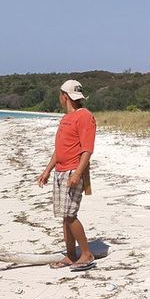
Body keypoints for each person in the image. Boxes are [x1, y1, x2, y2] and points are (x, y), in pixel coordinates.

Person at [36, 79, 97, 271]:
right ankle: (70, 255)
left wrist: (77, 173)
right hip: (61, 171)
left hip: (73, 170)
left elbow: (87, 149)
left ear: (64, 97)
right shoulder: (66, 118)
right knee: (64, 215)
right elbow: (59, 149)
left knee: (70, 214)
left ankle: (86, 253)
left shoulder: (84, 116)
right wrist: (47, 170)